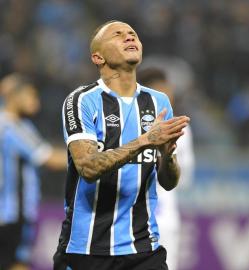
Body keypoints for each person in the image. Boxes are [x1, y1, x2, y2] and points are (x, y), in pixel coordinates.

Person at [53, 20, 190, 270]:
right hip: (87, 249)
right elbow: (88, 167)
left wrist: (167, 156)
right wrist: (146, 140)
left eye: (132, 34)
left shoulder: (159, 102)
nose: (129, 37)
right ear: (98, 57)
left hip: (144, 248)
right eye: (118, 35)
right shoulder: (81, 101)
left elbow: (168, 183)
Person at [0, 73, 67, 270]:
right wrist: (93, 158)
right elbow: (49, 159)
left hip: (16, 212)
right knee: (16, 263)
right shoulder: (10, 127)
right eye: (31, 95)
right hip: (11, 213)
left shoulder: (21, 125)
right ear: (14, 96)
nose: (35, 101)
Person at [138, 67, 195, 270]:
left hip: (156, 217)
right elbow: (185, 178)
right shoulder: (181, 129)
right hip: (159, 217)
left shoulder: (182, 128)